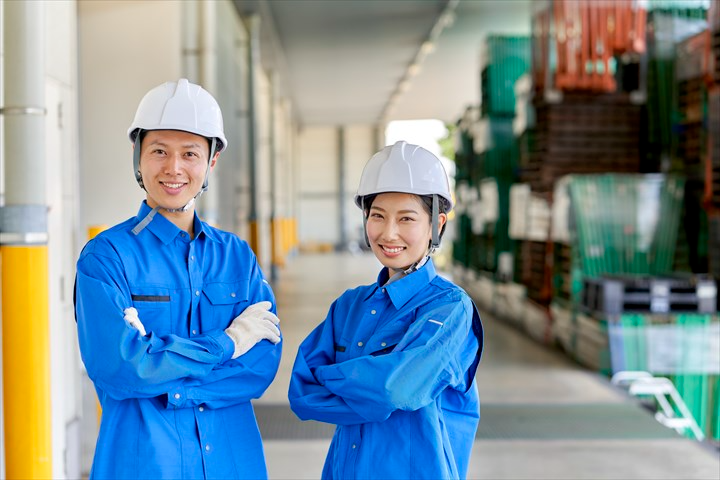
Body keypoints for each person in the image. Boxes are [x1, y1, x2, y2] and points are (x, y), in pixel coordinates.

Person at [75, 78, 282, 479]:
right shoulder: (106, 257)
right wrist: (230, 341)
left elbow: (261, 365)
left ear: (211, 161)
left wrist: (160, 369)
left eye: (189, 153)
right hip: (144, 464)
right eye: (159, 152)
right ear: (138, 156)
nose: (173, 168)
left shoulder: (237, 256)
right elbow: (119, 367)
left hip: (232, 463)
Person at [288, 140, 484, 479]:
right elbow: (302, 390)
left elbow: (395, 389)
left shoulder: (451, 309)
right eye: (378, 216)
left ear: (436, 225)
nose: (389, 233)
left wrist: (332, 377)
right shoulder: (349, 305)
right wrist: (371, 384)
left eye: (406, 218)